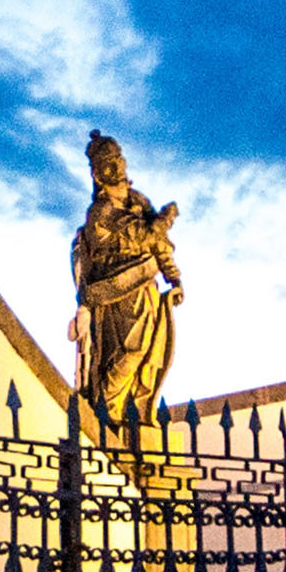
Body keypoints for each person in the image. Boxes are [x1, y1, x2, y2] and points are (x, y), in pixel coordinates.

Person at [67, 131, 183, 445]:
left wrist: (173, 276)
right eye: (108, 163)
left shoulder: (138, 202)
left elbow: (158, 244)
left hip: (144, 288)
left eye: (118, 160)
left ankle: (129, 412)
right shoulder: (100, 212)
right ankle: (108, 409)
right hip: (117, 291)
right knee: (129, 351)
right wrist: (166, 218)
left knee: (149, 354)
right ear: (97, 173)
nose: (116, 167)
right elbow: (143, 235)